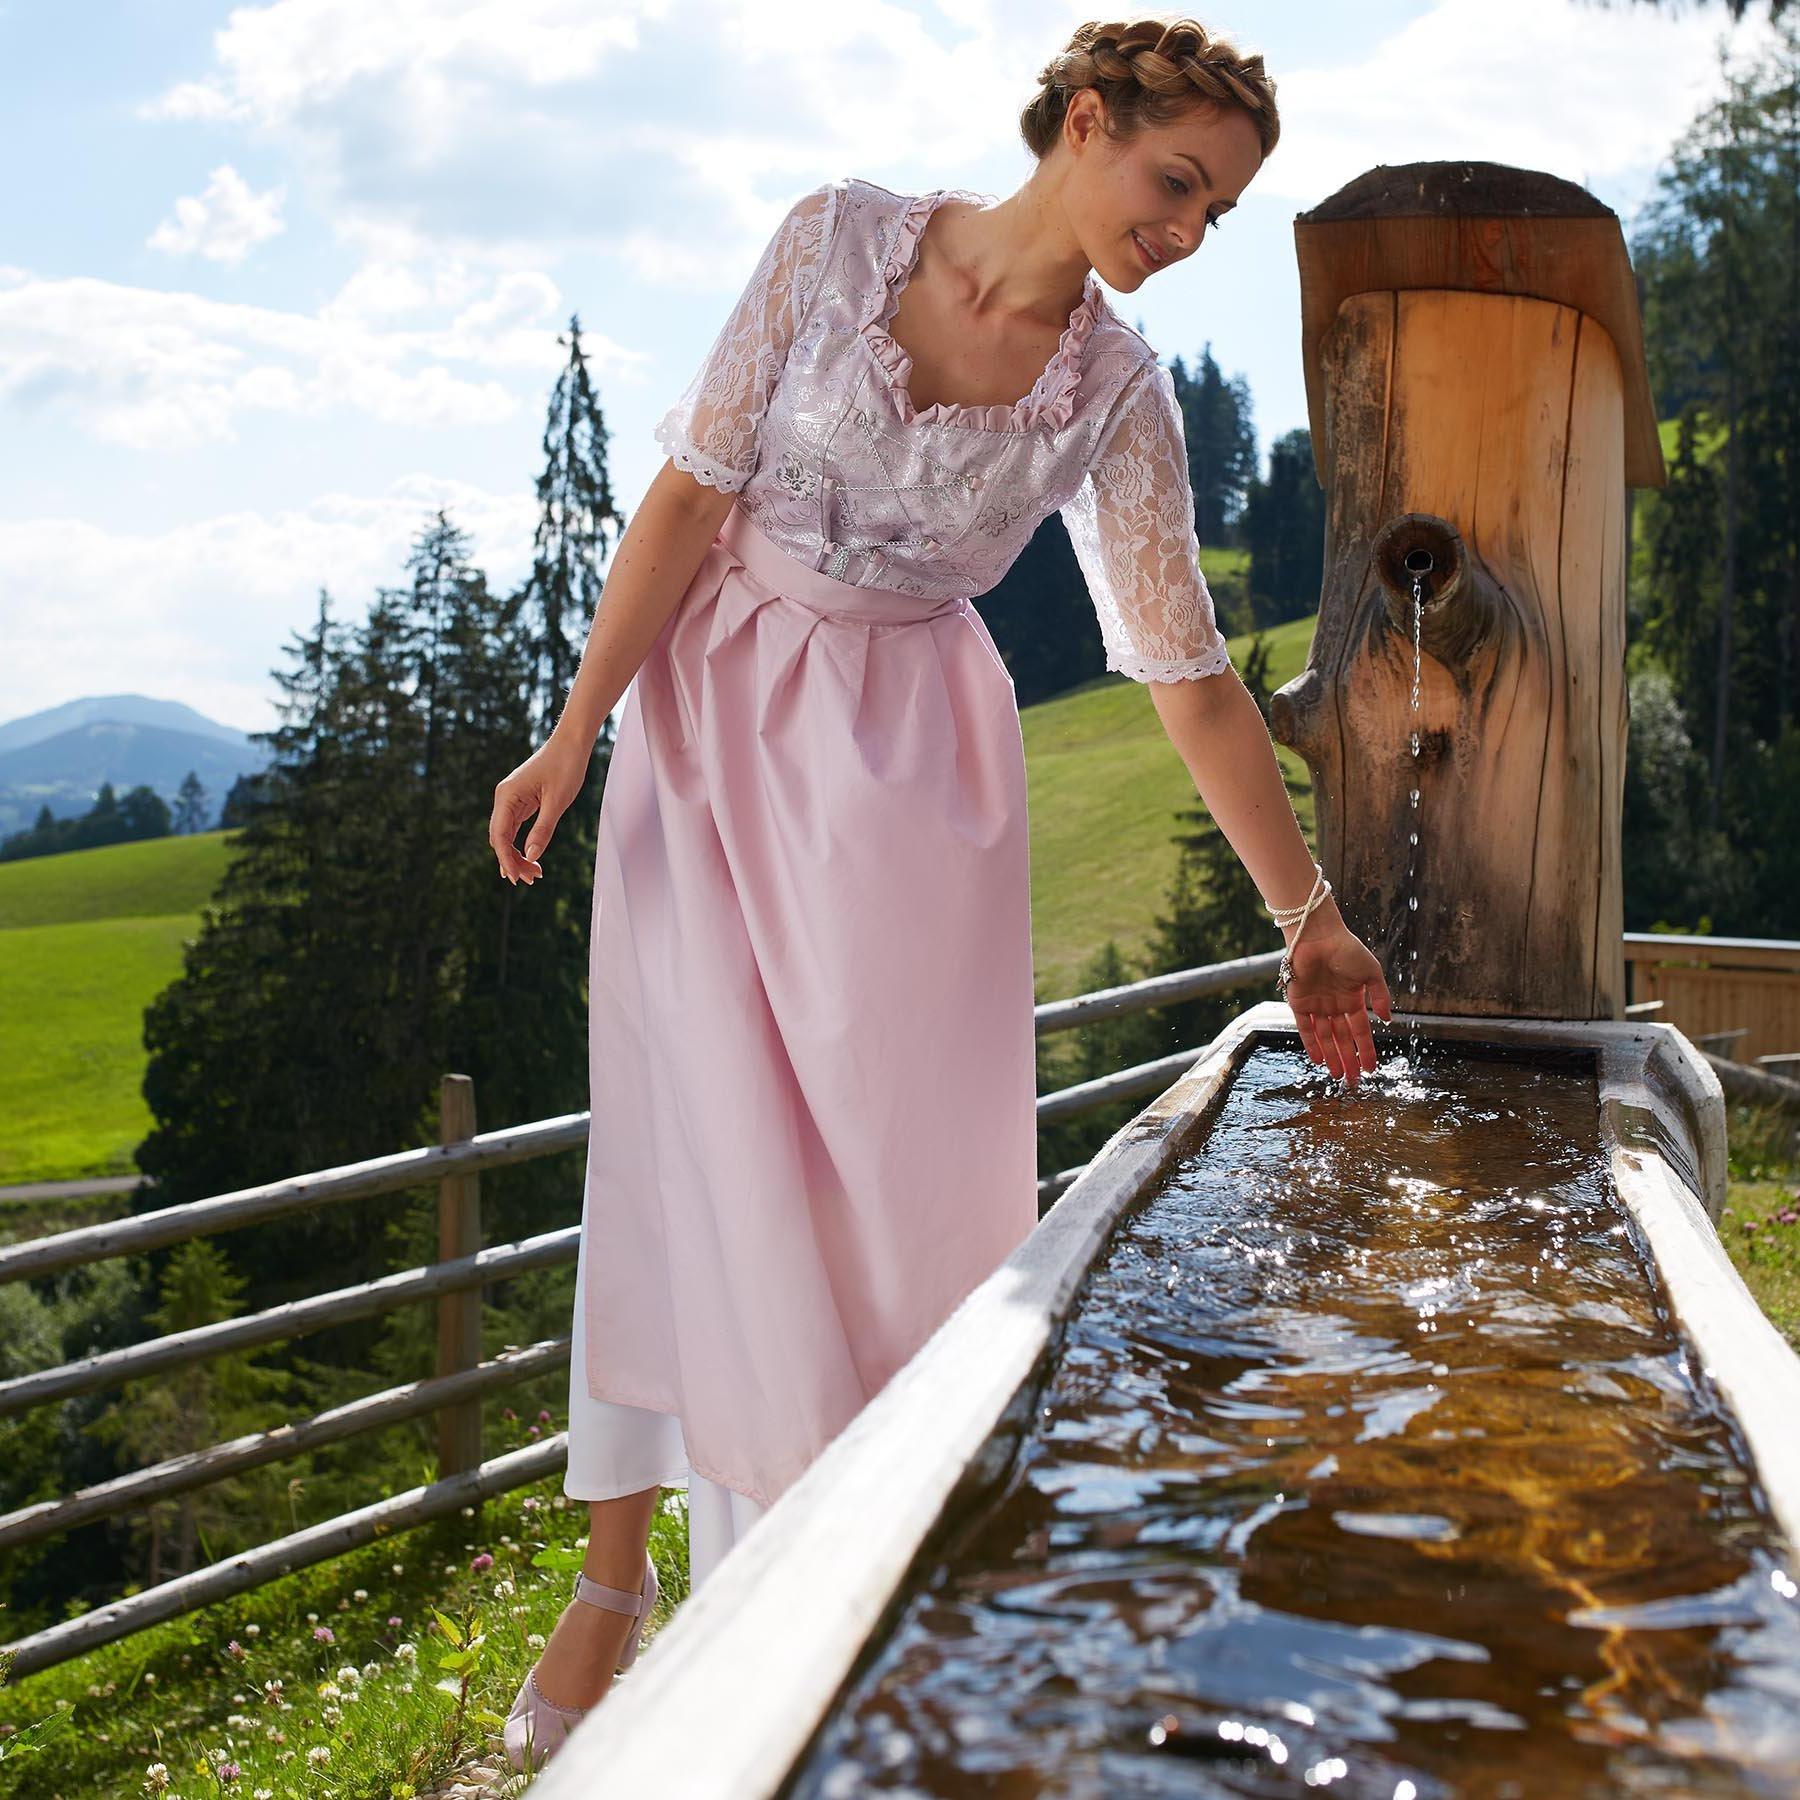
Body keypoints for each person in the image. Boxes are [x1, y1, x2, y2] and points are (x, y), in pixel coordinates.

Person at [486, 12, 1393, 1773]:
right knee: (687, 1133)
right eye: (1174, 182)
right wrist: (578, 728)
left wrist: (1309, 915)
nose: (1186, 230)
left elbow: (1185, 670)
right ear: (1078, 121)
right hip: (709, 722)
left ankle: (858, 1584)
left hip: (910, 775)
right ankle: (622, 1587)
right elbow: (690, 490)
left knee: (912, 1199)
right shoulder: (834, 237)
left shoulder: (1116, 391)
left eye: (1217, 211)